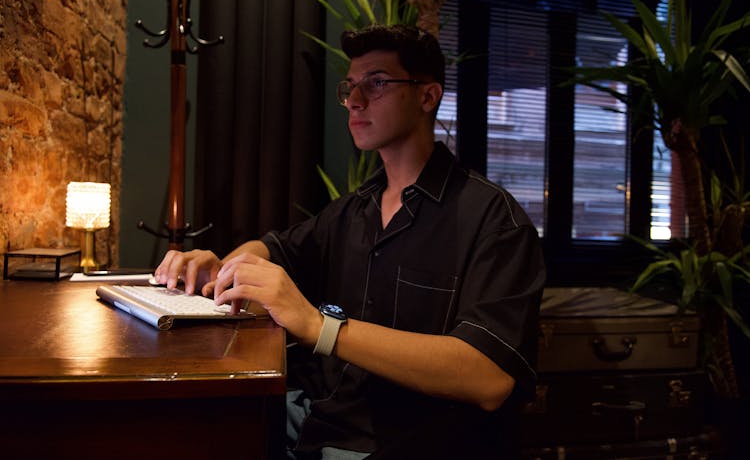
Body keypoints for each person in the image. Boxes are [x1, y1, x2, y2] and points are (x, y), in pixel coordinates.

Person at [155, 24, 545, 459]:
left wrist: (320, 328)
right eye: (351, 87)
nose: (355, 101)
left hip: (401, 445)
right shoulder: (353, 210)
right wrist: (222, 268)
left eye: (377, 83)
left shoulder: (494, 221)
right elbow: (276, 249)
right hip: (316, 420)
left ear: (427, 96)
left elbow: (489, 377)